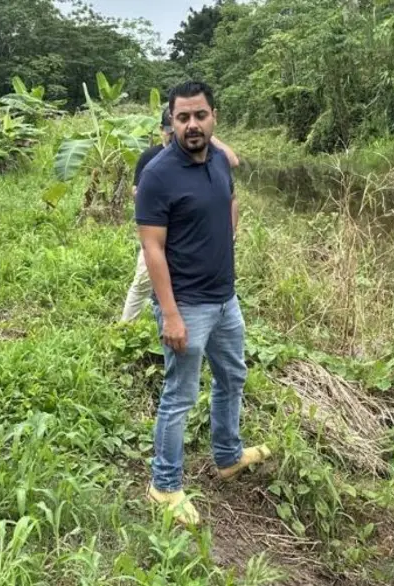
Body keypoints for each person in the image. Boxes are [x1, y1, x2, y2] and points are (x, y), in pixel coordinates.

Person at [135, 81, 268, 526]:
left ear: (214, 118)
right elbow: (152, 249)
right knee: (180, 396)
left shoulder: (218, 160)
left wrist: (228, 238)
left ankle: (228, 455)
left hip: (225, 299)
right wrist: (171, 314)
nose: (192, 125)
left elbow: (229, 199)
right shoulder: (158, 174)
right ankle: (164, 485)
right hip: (187, 304)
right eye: (183, 117)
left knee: (232, 376)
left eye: (200, 115)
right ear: (171, 122)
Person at [121, 108, 240, 322]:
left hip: (192, 242)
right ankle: (126, 327)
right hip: (159, 232)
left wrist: (205, 131)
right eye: (169, 131)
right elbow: (137, 193)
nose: (173, 136)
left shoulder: (202, 156)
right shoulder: (152, 158)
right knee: (143, 282)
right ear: (162, 130)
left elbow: (232, 162)